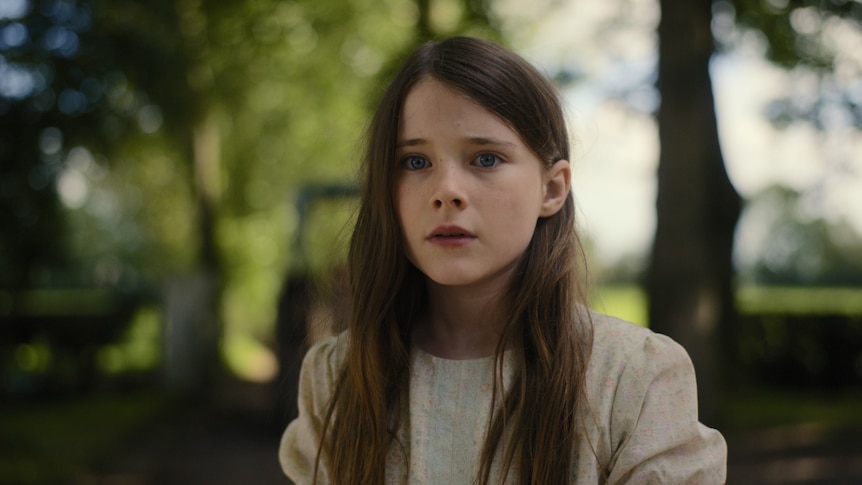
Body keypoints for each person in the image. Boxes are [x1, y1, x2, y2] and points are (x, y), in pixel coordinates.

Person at [279, 36, 727, 484]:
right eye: (415, 162)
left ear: (552, 189)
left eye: (486, 158)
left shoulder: (633, 379)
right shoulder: (338, 378)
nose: (446, 190)